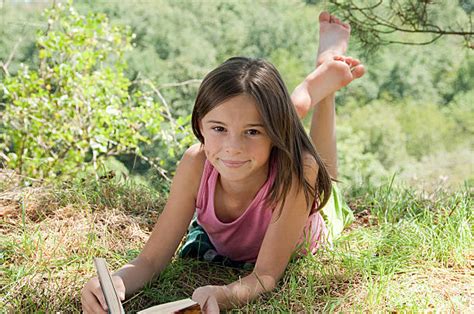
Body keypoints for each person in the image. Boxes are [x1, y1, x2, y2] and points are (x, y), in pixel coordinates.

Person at [81, 11, 365, 313]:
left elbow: (265, 276)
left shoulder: (296, 174)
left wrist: (226, 294)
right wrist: (115, 281)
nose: (232, 148)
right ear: (200, 126)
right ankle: (301, 96)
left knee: (320, 169)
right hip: (271, 140)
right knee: (267, 121)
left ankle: (323, 79)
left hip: (301, 203)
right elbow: (149, 261)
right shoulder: (196, 164)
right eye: (218, 129)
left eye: (252, 132)